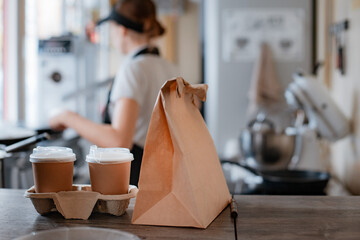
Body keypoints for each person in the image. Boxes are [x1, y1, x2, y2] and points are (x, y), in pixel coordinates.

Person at [49, 0, 177, 186]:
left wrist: (67, 117)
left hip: (137, 178)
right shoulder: (170, 68)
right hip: (166, 175)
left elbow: (119, 140)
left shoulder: (133, 69)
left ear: (122, 30)